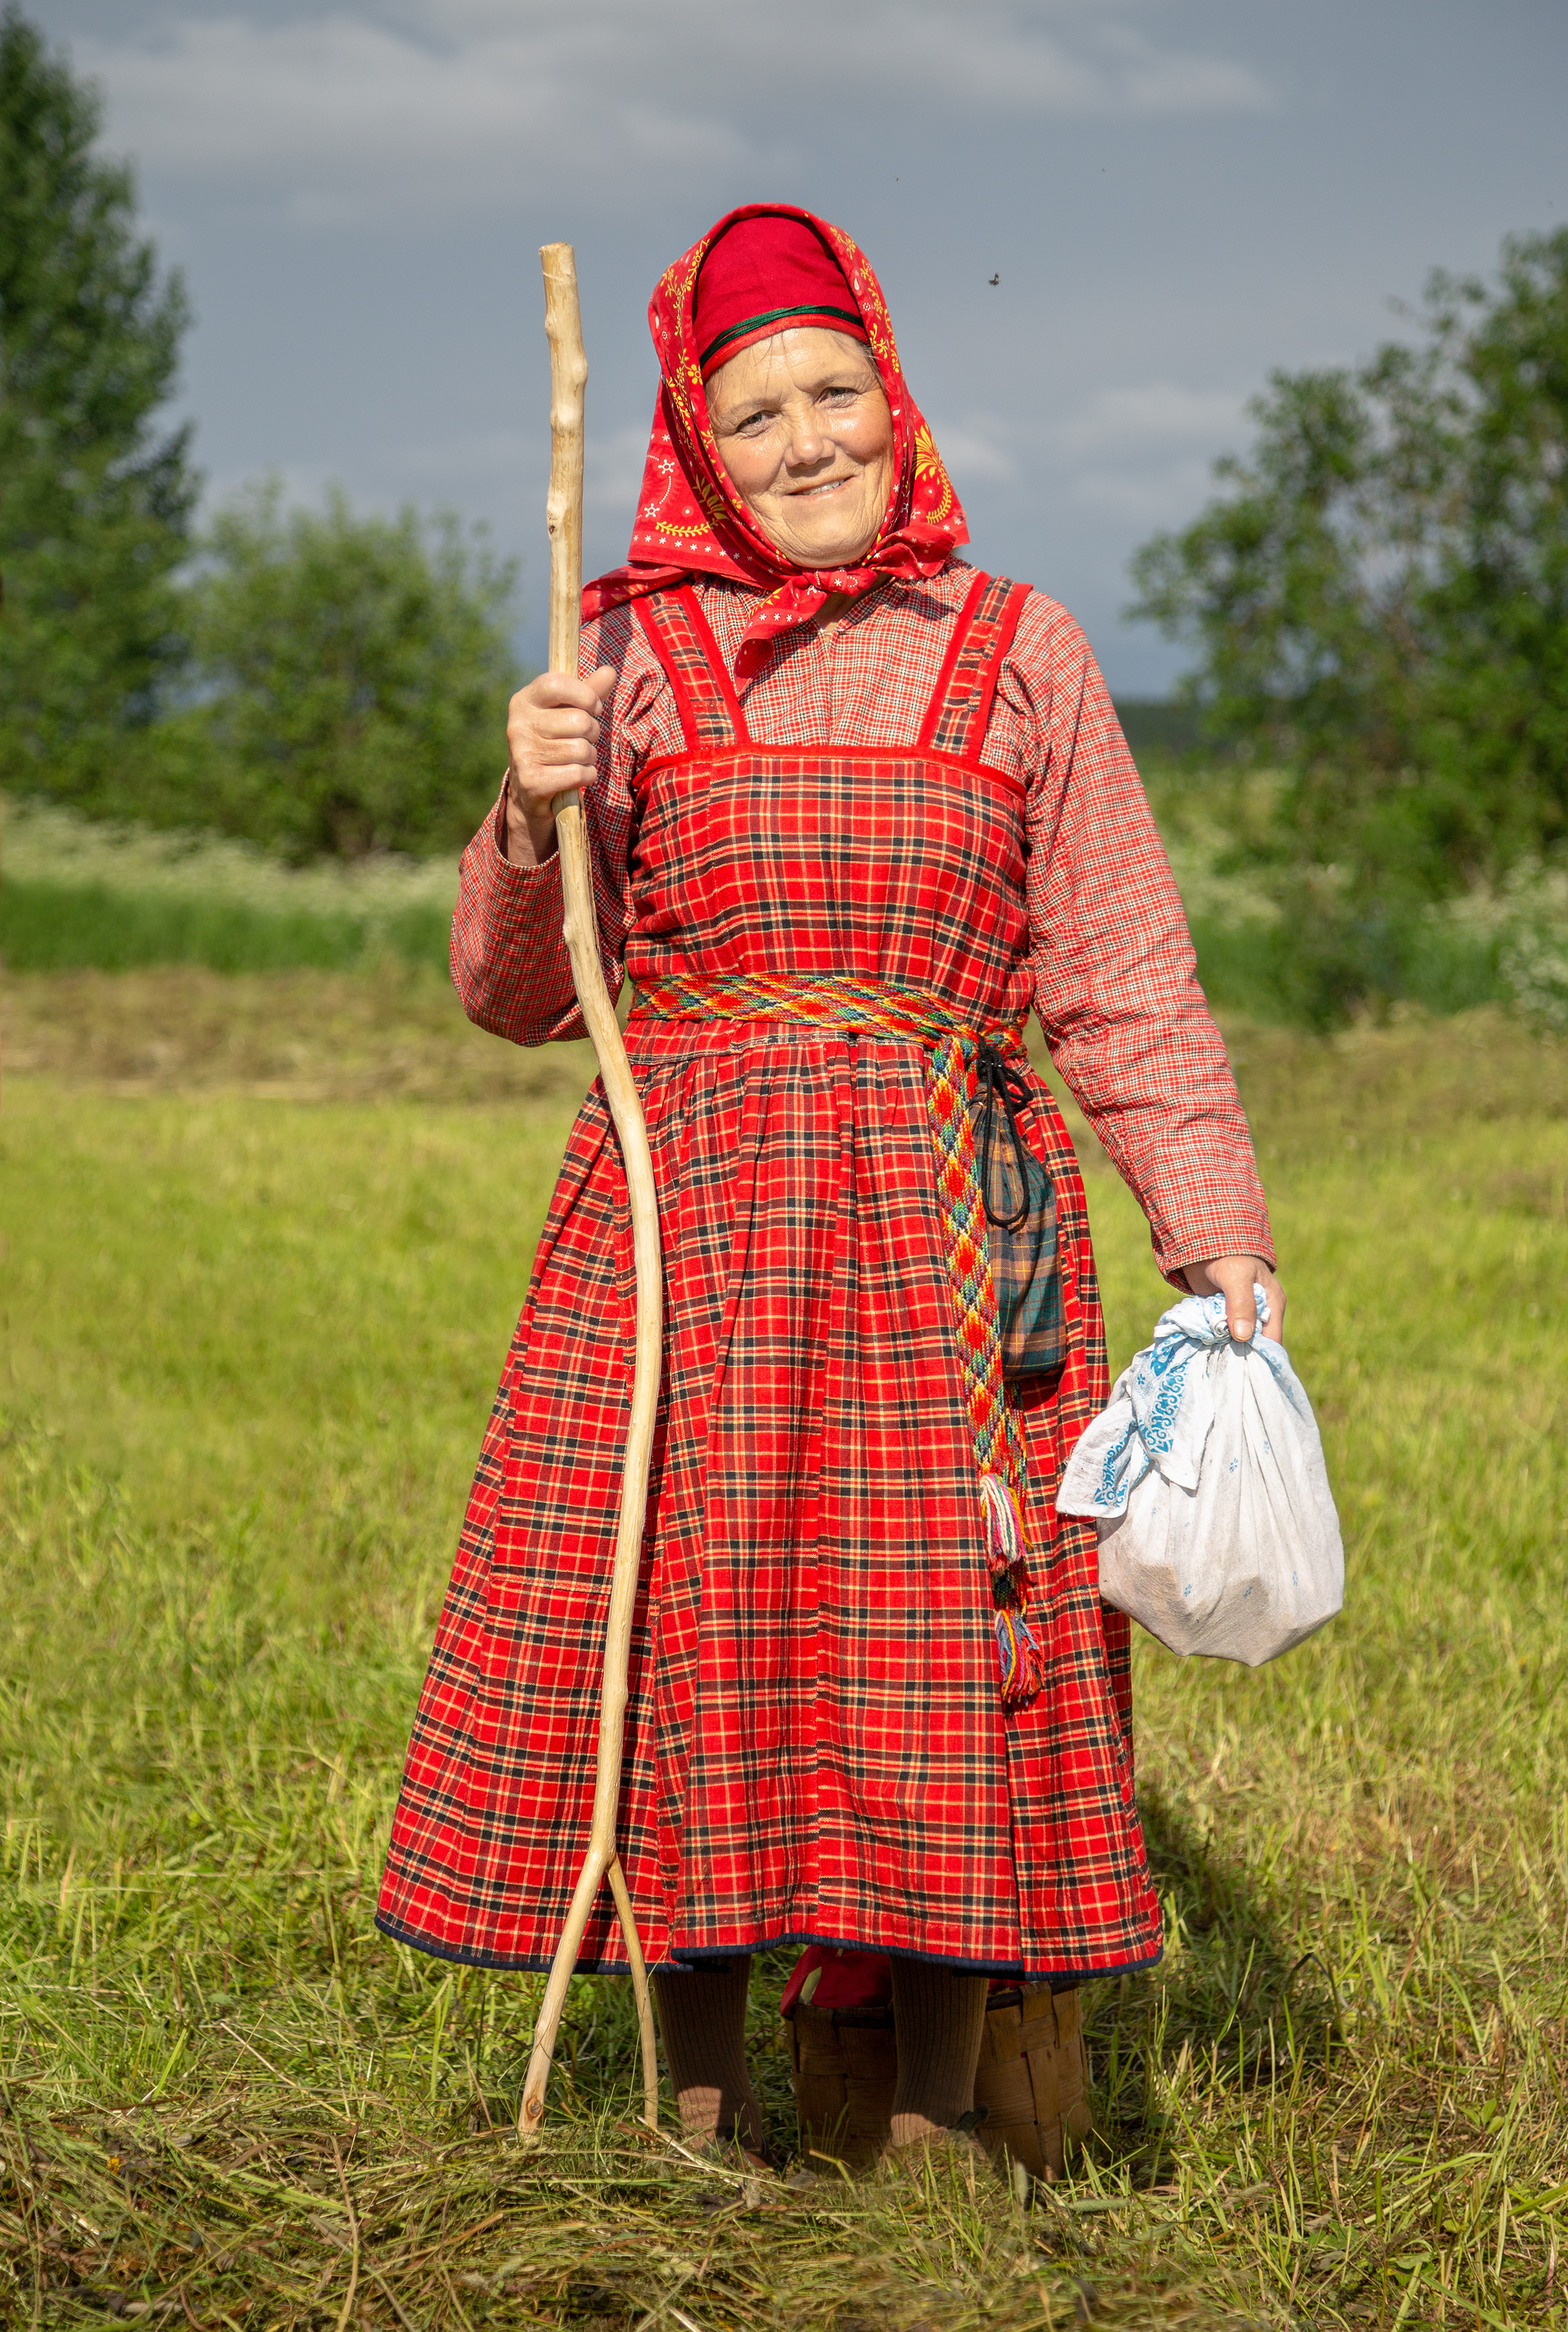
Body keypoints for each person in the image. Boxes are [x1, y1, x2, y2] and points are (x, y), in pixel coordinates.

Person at [376, 204, 1281, 2161]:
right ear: (700, 443)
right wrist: (531, 816)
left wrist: (1215, 1244)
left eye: (834, 394)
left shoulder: (1021, 650)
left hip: (964, 1220)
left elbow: (1124, 977)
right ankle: (692, 2121)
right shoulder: (616, 651)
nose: (804, 442)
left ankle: (938, 2128)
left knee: (959, 1634)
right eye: (756, 410)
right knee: (691, 1627)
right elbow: (516, 995)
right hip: (689, 1223)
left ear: (898, 397)